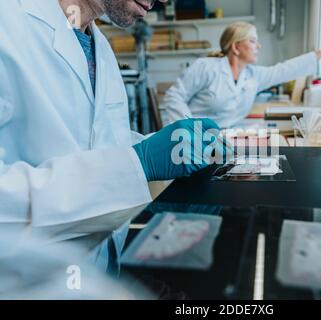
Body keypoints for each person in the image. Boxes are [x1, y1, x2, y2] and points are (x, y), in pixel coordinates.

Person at [0, 0, 222, 268]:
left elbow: (98, 141)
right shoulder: (8, 24)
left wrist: (162, 147)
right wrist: (141, 163)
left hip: (98, 270)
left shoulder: (99, 44)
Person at [162, 22, 321, 128]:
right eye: (252, 41)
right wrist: (186, 131)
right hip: (191, 141)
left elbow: (285, 69)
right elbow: (174, 96)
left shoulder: (253, 75)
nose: (258, 46)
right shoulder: (206, 67)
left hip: (222, 141)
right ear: (236, 47)